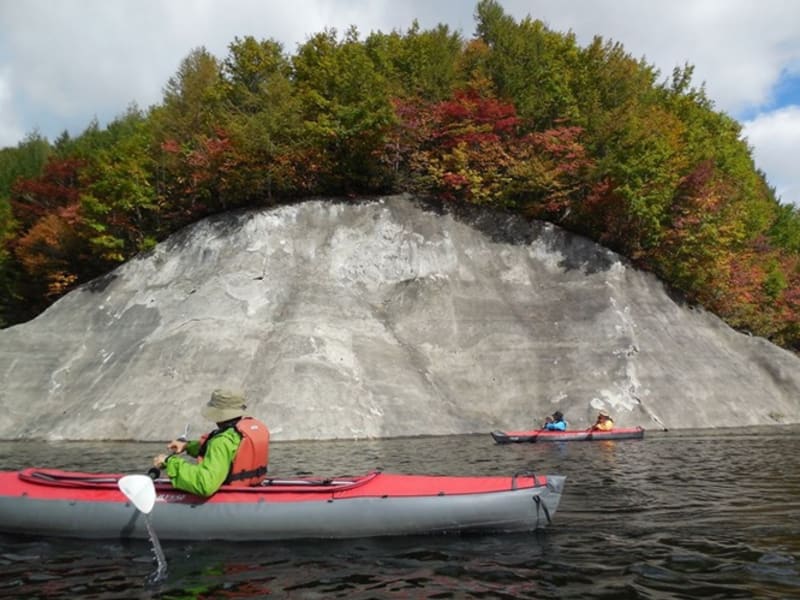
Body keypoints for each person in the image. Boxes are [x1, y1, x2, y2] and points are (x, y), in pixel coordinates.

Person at [153, 389, 270, 497]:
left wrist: (169, 462)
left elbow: (205, 484)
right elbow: (219, 450)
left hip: (230, 497)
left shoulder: (222, 441)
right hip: (249, 489)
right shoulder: (238, 433)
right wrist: (187, 446)